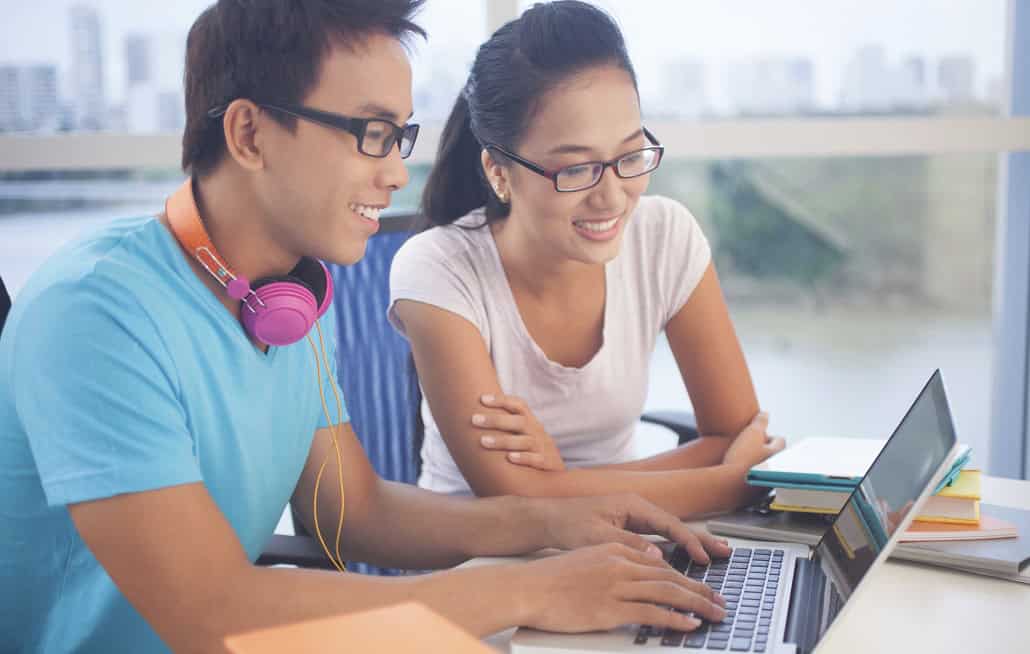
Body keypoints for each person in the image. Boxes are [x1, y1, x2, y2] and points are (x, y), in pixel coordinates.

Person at [0, 2, 733, 652]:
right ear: (250, 133)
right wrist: (535, 590)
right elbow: (209, 612)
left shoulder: (286, 296)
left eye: (400, 137)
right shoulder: (97, 312)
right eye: (371, 134)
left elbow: (352, 510)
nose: (393, 174)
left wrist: (553, 523)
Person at [389, 1, 785, 516]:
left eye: (629, 155)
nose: (613, 196)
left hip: (630, 544)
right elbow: (512, 499)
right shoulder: (438, 268)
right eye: (576, 170)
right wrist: (728, 481)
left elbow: (737, 433)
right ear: (500, 172)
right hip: (478, 563)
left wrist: (559, 482)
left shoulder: (665, 237)